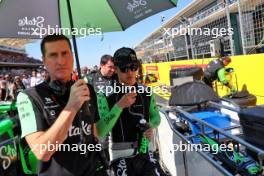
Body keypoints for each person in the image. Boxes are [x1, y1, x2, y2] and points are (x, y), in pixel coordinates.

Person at [17, 34, 107, 176]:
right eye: (53, 55)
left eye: (65, 53)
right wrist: (71, 107)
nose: (60, 61)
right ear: (44, 61)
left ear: (72, 56)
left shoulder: (86, 89)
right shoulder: (29, 97)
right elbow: (42, 152)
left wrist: (119, 108)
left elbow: (95, 133)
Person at [96, 47, 163, 176]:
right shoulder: (104, 94)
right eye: (124, 69)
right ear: (115, 69)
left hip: (145, 149)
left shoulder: (147, 91)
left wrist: (150, 126)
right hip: (119, 153)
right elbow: (101, 131)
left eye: (133, 67)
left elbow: (156, 118)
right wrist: (119, 106)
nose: (130, 72)